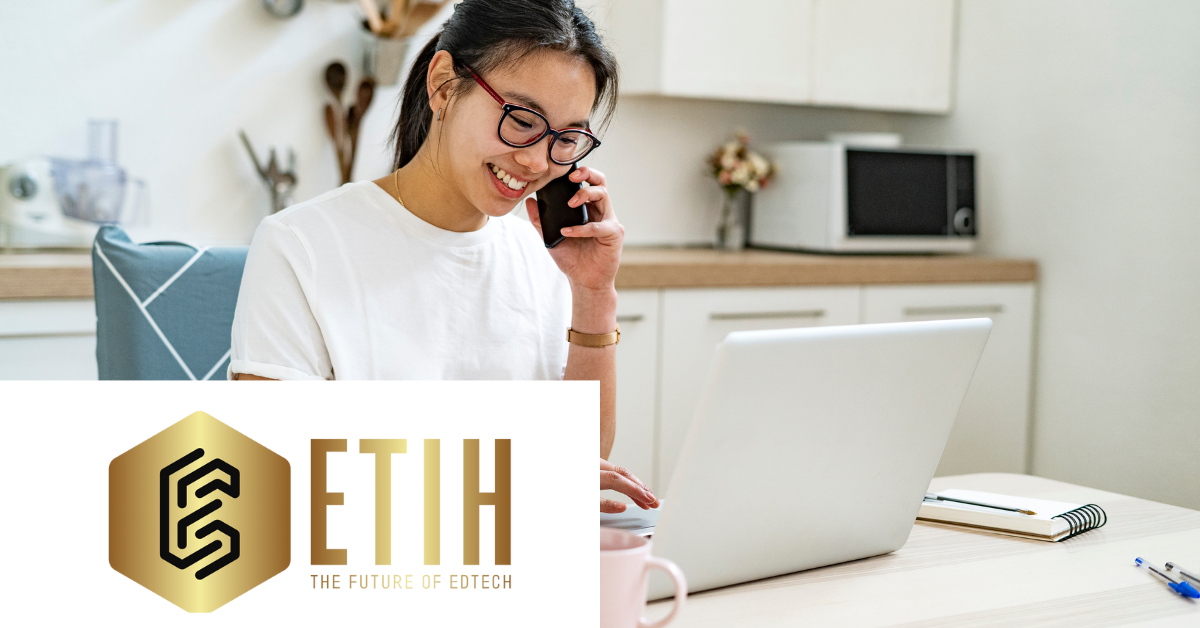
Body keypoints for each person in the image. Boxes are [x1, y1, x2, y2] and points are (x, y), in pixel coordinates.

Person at [228, 0, 656, 514]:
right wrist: (519, 476)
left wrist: (593, 294)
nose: (538, 161)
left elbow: (577, 468)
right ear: (443, 84)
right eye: (522, 119)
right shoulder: (300, 245)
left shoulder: (549, 259)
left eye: (566, 139)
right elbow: (277, 481)